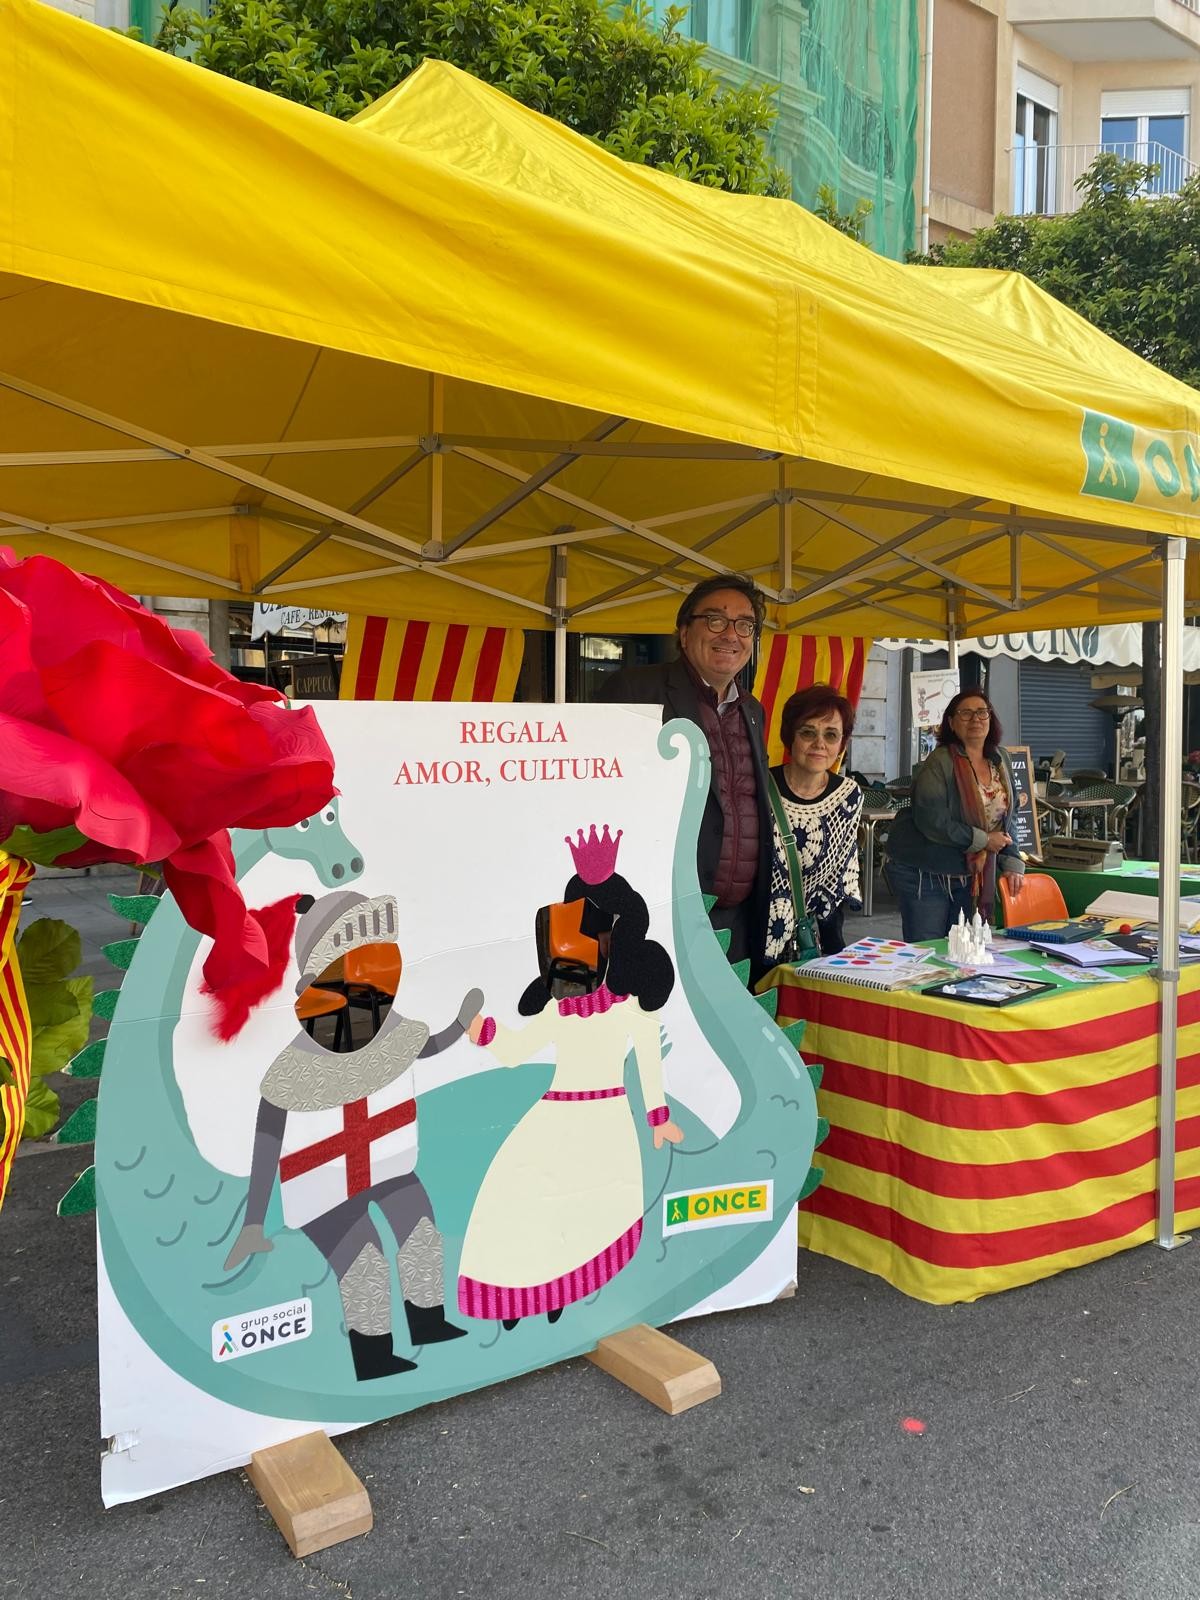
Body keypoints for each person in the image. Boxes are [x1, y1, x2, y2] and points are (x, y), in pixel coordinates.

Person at [223, 889, 479, 1382]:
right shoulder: (294, 1068)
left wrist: (459, 1027)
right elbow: (268, 1138)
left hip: (386, 1161)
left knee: (421, 1233)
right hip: (323, 1187)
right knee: (365, 1262)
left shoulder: (388, 1029)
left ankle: (427, 1322)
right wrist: (254, 1220)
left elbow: (422, 1047)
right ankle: (373, 1354)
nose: (367, 1001)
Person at [457, 826, 683, 1329]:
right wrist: (486, 1032)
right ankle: (515, 1293)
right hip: (557, 1115)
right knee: (524, 1194)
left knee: (589, 1207)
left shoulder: (628, 1013)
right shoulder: (561, 1011)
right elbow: (517, 1050)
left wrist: (657, 1115)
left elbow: (648, 1056)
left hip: (605, 1121)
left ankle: (561, 1289)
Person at [599, 573, 773, 976]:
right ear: (683, 633)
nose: (731, 634)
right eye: (715, 620)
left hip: (738, 919)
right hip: (658, 916)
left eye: (745, 625)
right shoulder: (634, 690)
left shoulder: (753, 710)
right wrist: (605, 915)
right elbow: (600, 803)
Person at [884, 689, 1024, 942]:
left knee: (963, 950)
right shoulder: (940, 761)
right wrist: (983, 840)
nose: (975, 720)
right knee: (928, 950)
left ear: (991, 719)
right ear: (951, 723)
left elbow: (1008, 816)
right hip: (925, 871)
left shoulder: (1000, 758)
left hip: (971, 874)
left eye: (982, 712)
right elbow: (932, 821)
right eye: (966, 714)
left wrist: (1013, 862)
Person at [765, 683, 864, 961]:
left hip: (818, 937)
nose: (819, 744)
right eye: (808, 732)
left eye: (831, 735)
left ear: (841, 743)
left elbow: (838, 877)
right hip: (754, 937)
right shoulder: (760, 786)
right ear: (790, 737)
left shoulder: (849, 795)